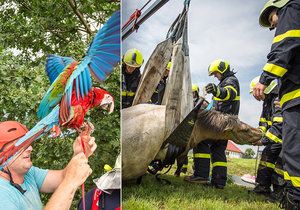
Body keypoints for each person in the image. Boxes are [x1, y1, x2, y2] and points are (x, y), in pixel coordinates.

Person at [253, 0, 300, 208]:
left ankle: (295, 199)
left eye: (273, 21)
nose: (274, 27)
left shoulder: (291, 9)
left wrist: (265, 78)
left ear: (277, 7)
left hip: (296, 96)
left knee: (294, 151)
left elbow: (284, 46)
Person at [0, 121, 97, 210]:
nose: (30, 148)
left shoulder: (28, 174)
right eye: (21, 144)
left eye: (28, 143)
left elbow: (63, 177)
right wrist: (70, 182)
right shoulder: (2, 194)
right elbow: (68, 179)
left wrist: (79, 154)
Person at [185, 59, 240, 189]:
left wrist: (216, 90)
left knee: (202, 142)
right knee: (218, 150)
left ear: (221, 69)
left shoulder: (230, 81)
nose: (215, 76)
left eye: (216, 73)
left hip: (220, 122)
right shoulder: (227, 81)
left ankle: (201, 176)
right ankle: (219, 182)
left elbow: (229, 94)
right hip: (227, 123)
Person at [250, 77, 284, 201]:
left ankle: (280, 193)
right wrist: (256, 134)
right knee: (266, 156)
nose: (256, 96)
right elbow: (263, 123)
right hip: (276, 139)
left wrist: (263, 140)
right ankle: (262, 187)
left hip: (286, 139)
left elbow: (279, 126)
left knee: (281, 166)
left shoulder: (277, 99)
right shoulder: (267, 102)